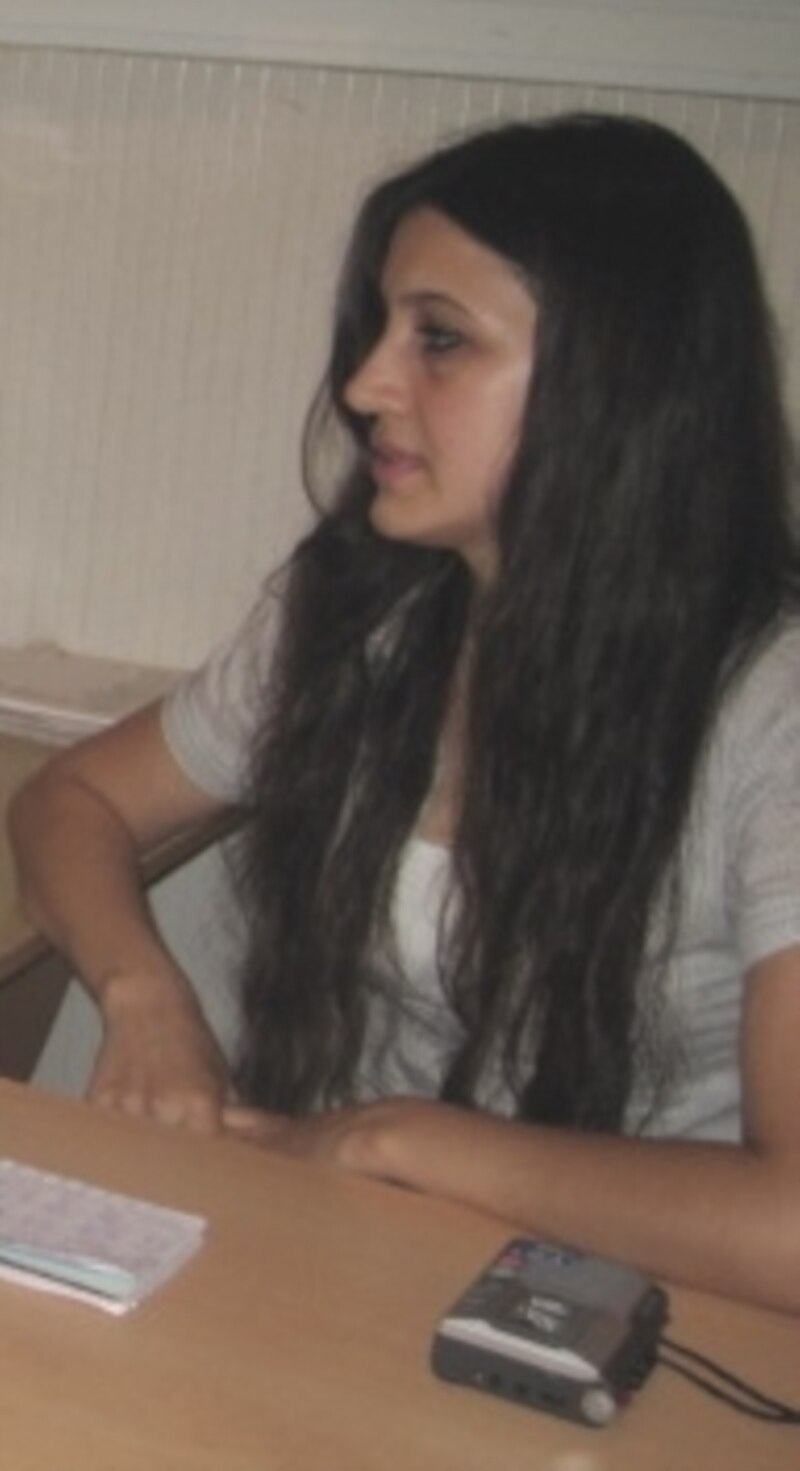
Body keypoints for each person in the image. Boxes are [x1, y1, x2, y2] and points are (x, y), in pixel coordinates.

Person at [9, 113, 800, 1312]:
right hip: (344, 1249)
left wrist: (395, 1141)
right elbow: (72, 798)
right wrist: (143, 995)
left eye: (439, 339)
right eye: (381, 328)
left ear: (616, 378)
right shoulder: (368, 612)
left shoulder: (768, 705)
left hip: (632, 1312)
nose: (366, 384)